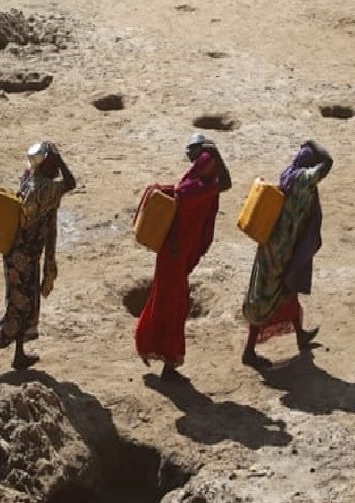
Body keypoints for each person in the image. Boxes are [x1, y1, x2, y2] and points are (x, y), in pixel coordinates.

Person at [136, 134, 229, 382]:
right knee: (172, 307)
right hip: (174, 255)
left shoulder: (198, 186)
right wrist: (213, 155)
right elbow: (200, 188)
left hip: (174, 254)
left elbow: (188, 190)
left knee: (169, 303)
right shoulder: (203, 188)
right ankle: (166, 360)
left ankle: (156, 352)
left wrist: (212, 154)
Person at [0, 141, 76, 373]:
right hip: (24, 256)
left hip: (20, 253)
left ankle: (19, 355)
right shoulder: (44, 187)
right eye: (52, 162)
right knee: (19, 306)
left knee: (28, 303)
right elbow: (71, 183)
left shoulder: (29, 176)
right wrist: (61, 160)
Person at [242, 140, 333, 366]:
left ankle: (300, 335)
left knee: (286, 292)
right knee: (265, 297)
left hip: (271, 244)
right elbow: (328, 163)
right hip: (283, 250)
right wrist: (315, 146)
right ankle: (249, 352)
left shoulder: (288, 174)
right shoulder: (303, 179)